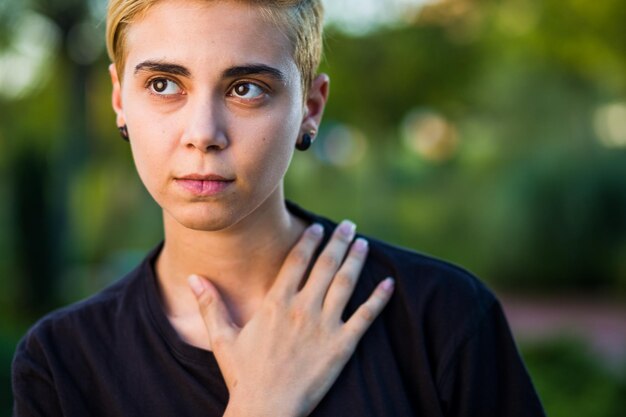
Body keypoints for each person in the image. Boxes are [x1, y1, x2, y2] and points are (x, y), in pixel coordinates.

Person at [12, 0, 545, 416]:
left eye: (246, 88)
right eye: (164, 84)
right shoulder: (62, 364)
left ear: (310, 108)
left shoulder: (441, 318)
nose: (203, 134)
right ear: (119, 99)